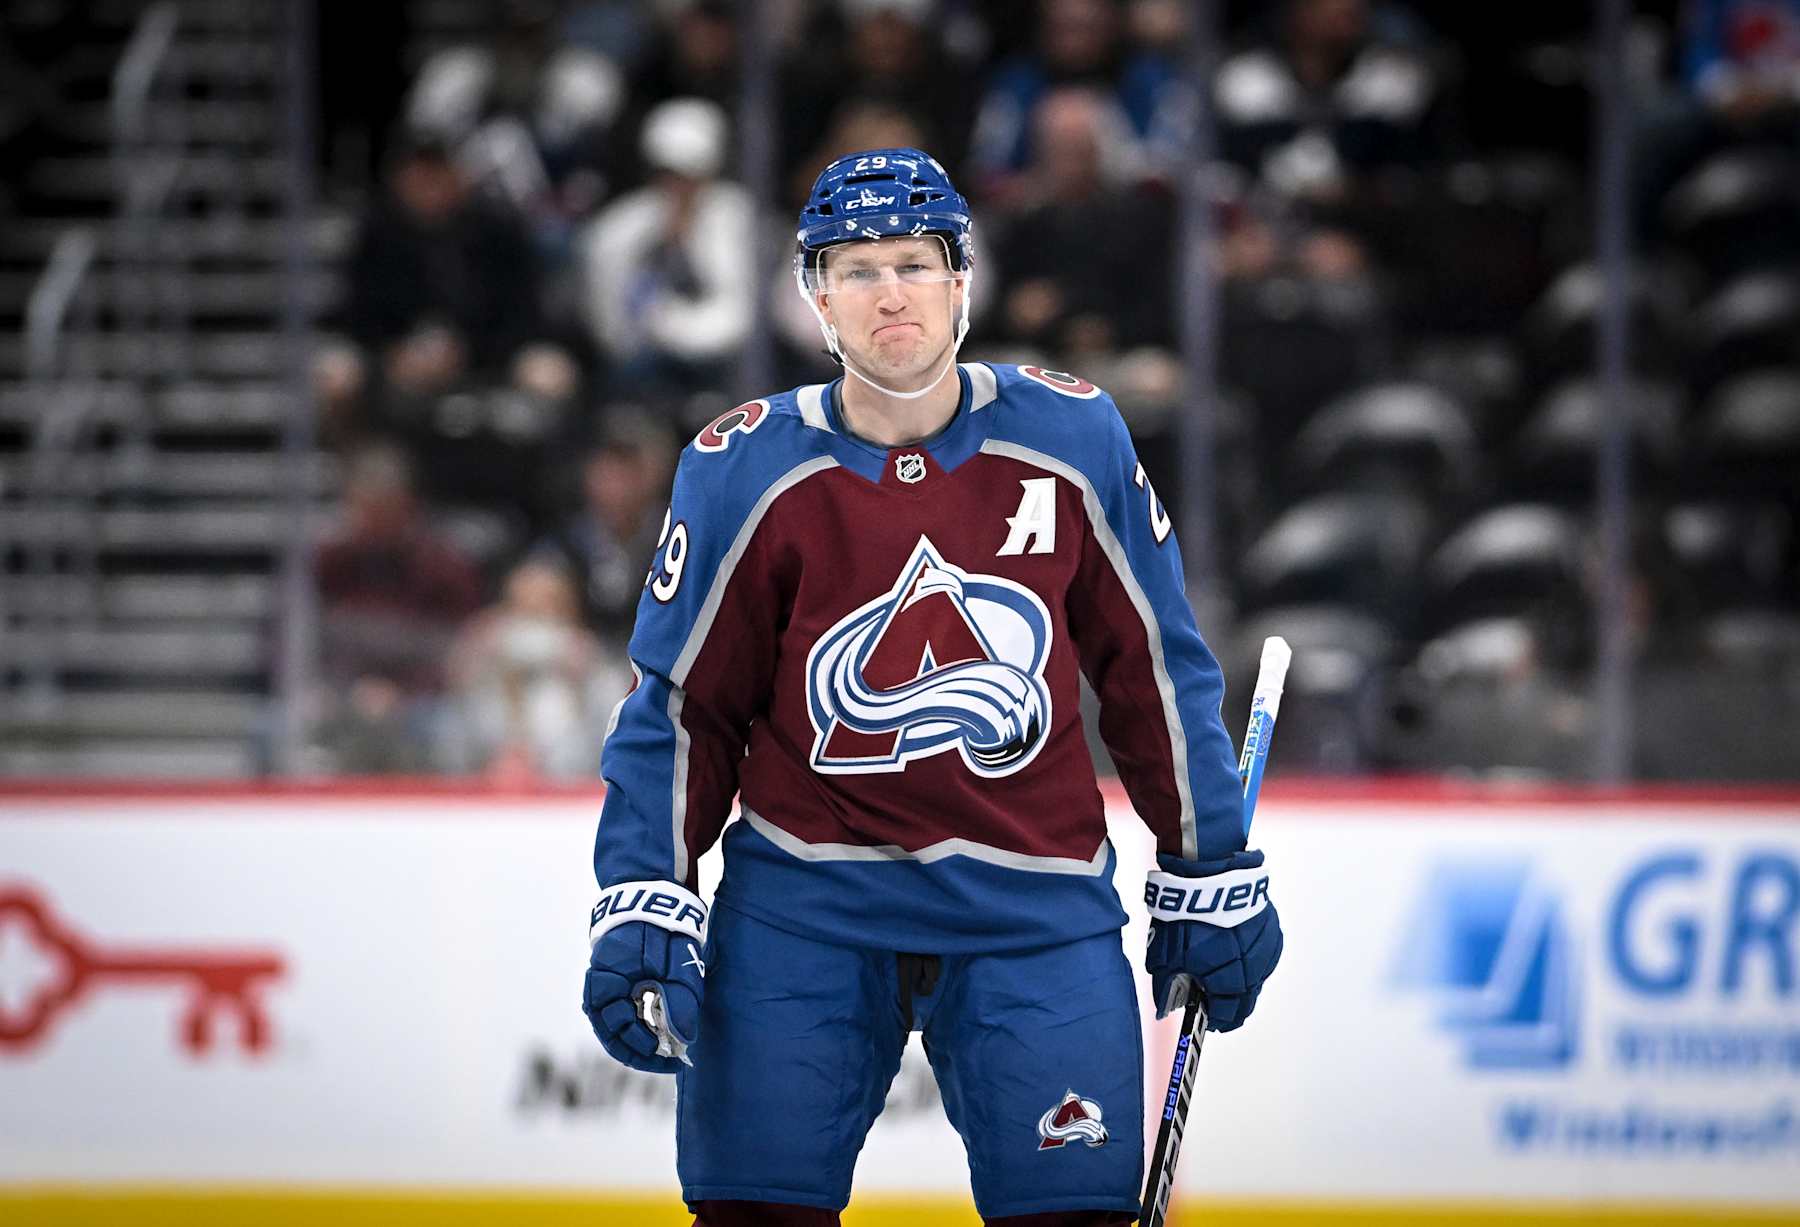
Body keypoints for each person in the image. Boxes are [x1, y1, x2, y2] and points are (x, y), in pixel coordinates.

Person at [581, 149, 1283, 1226]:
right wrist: (645, 891)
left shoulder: (1071, 437)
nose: (890, 293)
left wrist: (1210, 859)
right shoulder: (743, 467)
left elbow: (1154, 668)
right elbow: (683, 709)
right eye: (856, 270)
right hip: (804, 910)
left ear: (962, 280)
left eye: (914, 264)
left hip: (1032, 908)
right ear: (816, 296)